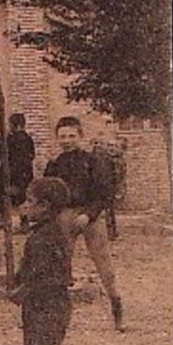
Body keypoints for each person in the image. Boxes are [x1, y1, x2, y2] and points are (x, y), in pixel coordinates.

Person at [10, 176, 107, 345]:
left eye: (30, 201)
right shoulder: (47, 233)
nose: (25, 206)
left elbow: (47, 276)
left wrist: (22, 290)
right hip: (47, 302)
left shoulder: (45, 238)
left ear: (44, 206)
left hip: (46, 303)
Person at [43, 116, 125, 332]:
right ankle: (56, 315)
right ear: (56, 139)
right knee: (60, 264)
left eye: (71, 136)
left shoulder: (92, 161)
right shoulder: (55, 164)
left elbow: (103, 193)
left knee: (103, 262)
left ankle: (117, 307)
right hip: (64, 217)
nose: (67, 140)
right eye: (62, 137)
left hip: (90, 216)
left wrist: (89, 215)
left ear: (80, 136)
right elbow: (46, 195)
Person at [6, 113, 36, 208]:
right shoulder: (28, 138)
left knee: (15, 197)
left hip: (14, 172)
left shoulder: (10, 139)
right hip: (26, 171)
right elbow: (32, 155)